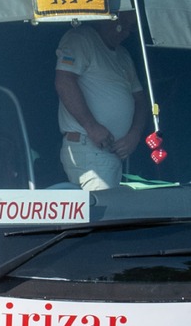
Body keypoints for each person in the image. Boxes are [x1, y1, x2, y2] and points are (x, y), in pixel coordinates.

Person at [54, 10, 148, 191]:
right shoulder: (81, 39)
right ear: (111, 17)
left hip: (112, 153)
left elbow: (141, 101)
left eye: (131, 28)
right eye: (124, 24)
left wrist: (134, 135)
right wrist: (92, 127)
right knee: (103, 214)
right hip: (89, 149)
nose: (127, 32)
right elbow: (64, 81)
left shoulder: (123, 55)